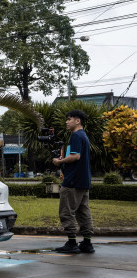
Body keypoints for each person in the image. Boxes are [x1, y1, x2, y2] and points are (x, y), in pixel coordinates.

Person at [52, 109, 94, 254]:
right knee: (83, 212)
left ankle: (71, 243)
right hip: (84, 181)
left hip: (72, 181)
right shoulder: (84, 136)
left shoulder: (76, 135)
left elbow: (75, 156)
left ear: (78, 121)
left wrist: (60, 161)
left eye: (69, 119)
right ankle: (87, 243)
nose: (66, 121)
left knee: (66, 212)